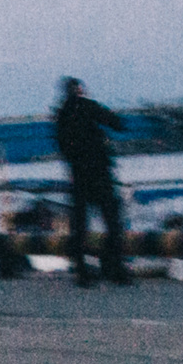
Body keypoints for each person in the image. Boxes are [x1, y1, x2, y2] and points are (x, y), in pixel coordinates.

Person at [55, 77, 131, 287]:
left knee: (80, 225)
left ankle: (82, 272)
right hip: (99, 173)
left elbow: (63, 146)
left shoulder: (61, 114)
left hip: (79, 175)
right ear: (80, 89)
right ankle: (115, 268)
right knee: (112, 221)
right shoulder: (88, 106)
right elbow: (117, 123)